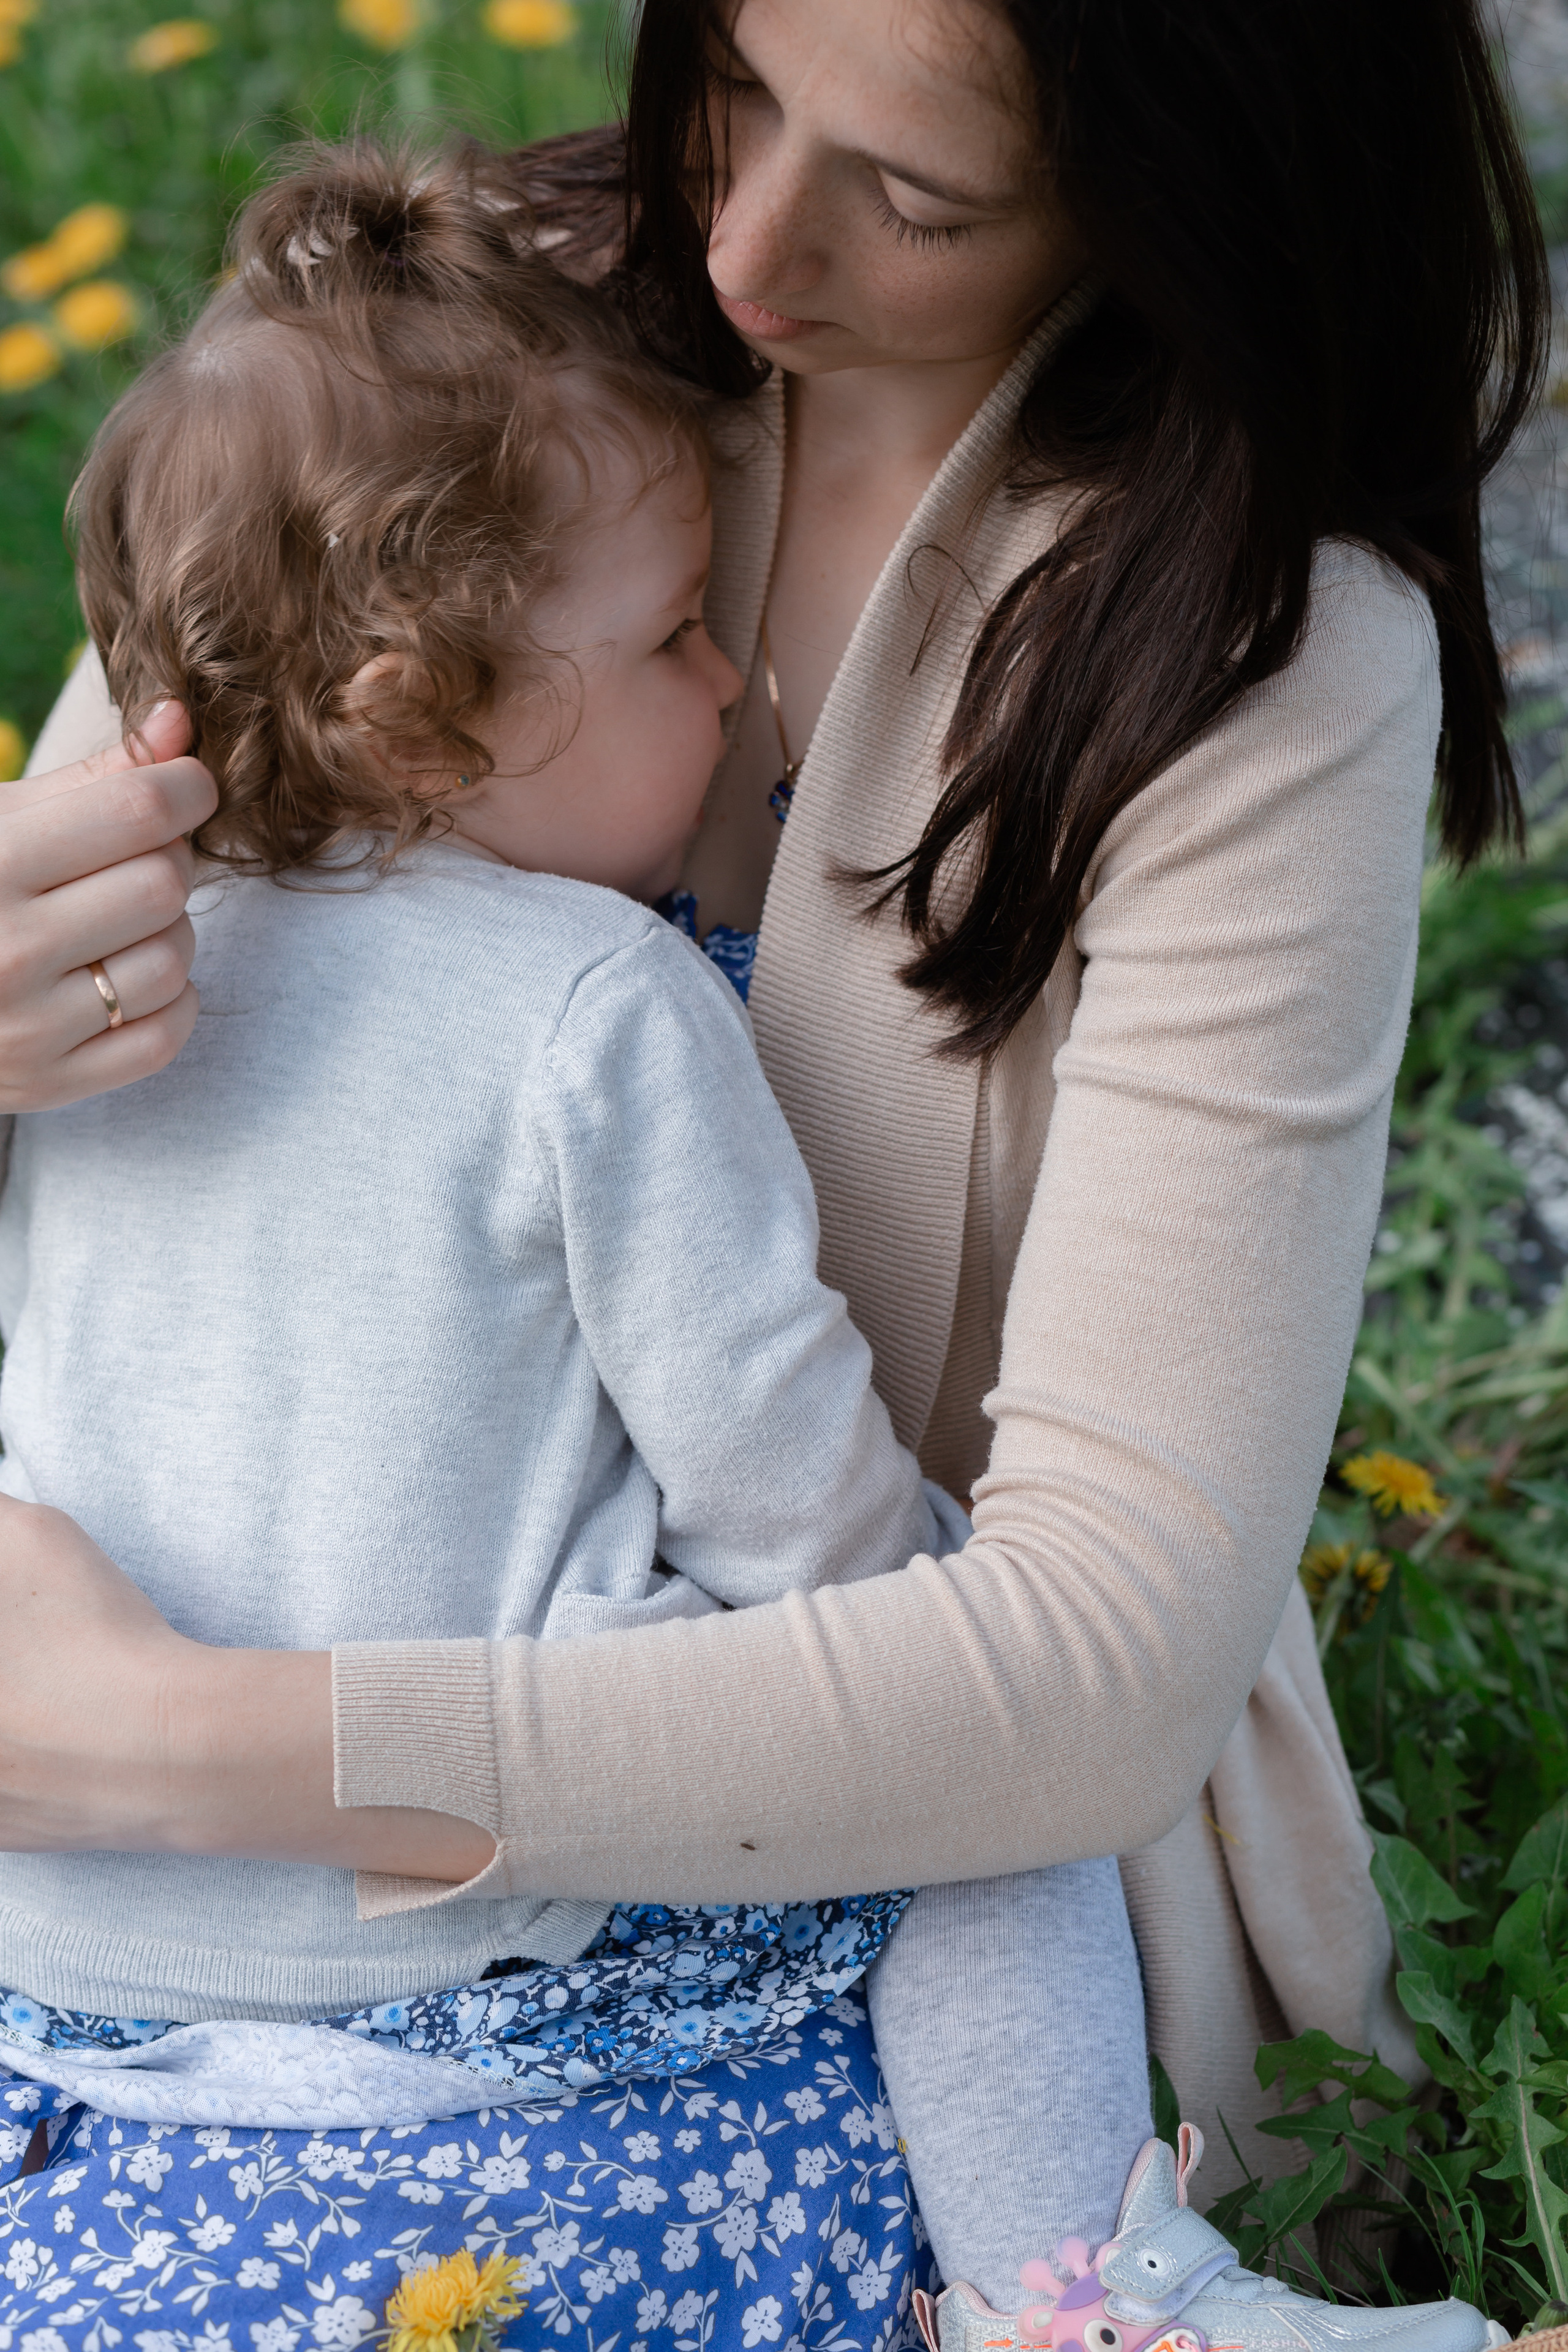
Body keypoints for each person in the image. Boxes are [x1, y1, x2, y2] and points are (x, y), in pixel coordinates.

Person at [0, 0, 1544, 2340]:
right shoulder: (430, 351)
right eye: (731, 79)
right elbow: (138, 1103)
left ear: (1184, 201)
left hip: (816, 1790)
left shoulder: (1254, 642)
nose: (732, 250)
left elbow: (1078, 1662)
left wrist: (171, 1751)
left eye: (915, 195)